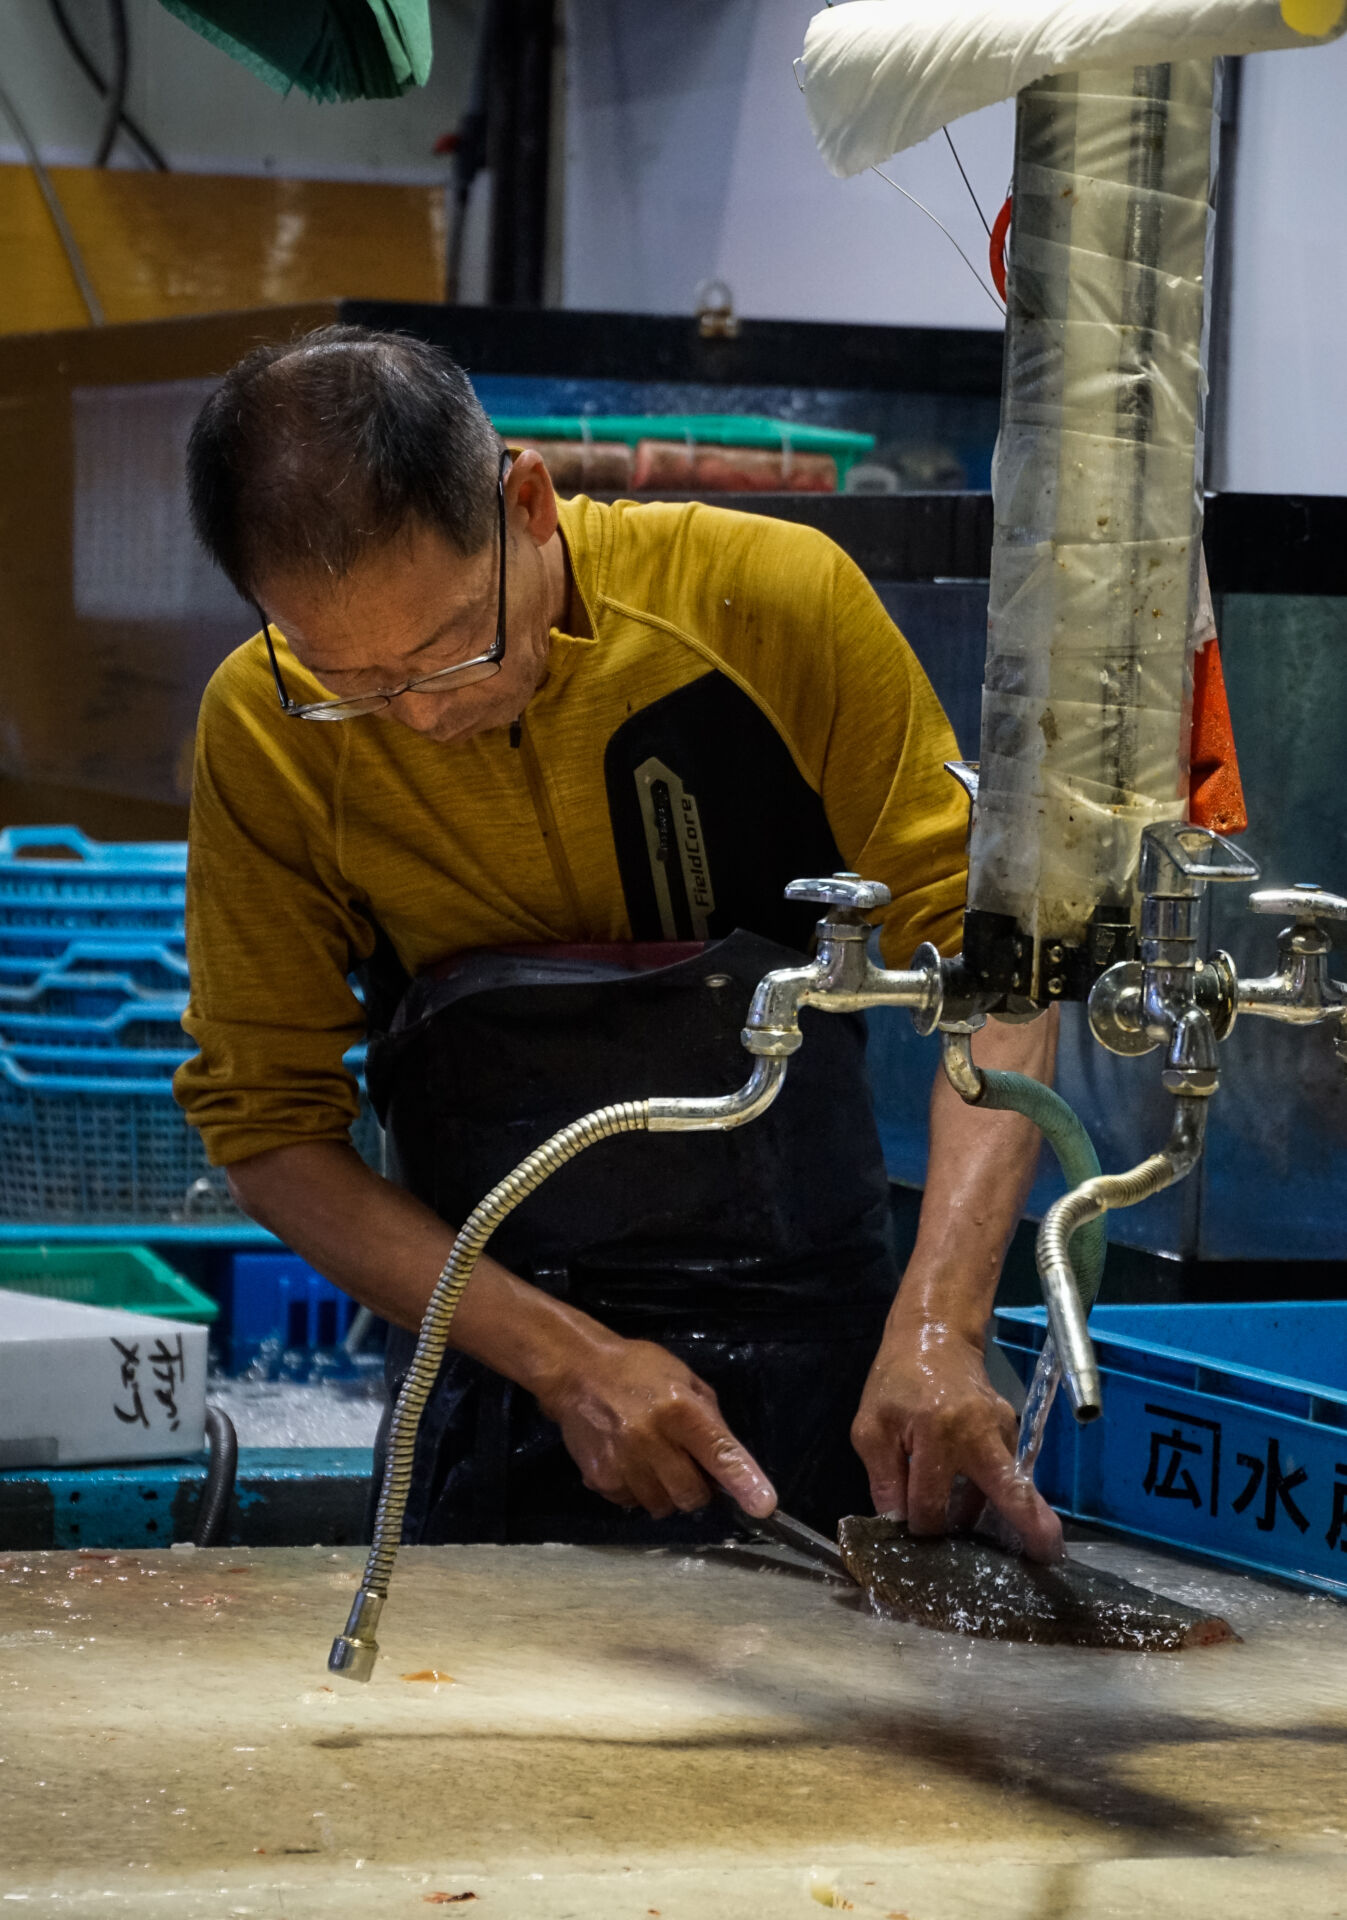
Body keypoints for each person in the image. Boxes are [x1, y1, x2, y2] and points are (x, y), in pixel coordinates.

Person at [175, 325, 1062, 1560]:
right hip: (491, 1367)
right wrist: (563, 1359)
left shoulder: (768, 601)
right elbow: (268, 1129)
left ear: (528, 503)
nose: (422, 715)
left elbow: (998, 972)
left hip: (834, 1345)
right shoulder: (261, 730)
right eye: (351, 678)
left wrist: (942, 1327)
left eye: (449, 647)